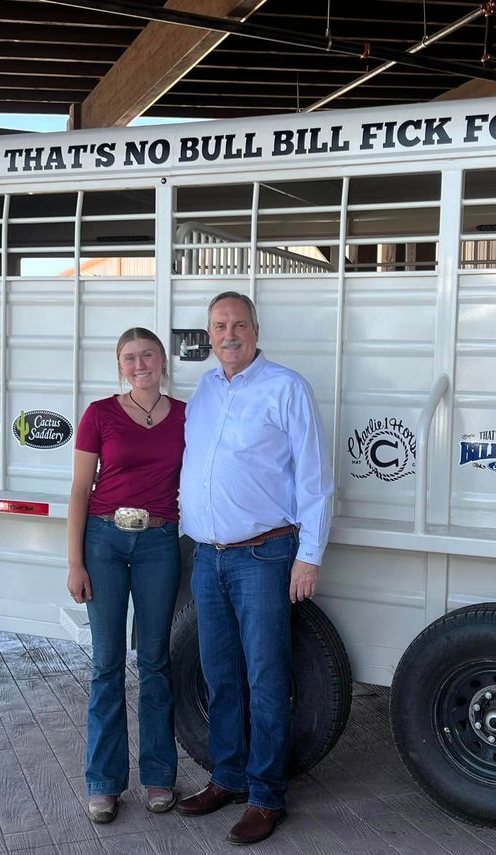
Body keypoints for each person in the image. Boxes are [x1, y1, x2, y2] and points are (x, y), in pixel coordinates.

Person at [175, 291, 333, 845]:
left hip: (265, 555)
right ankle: (228, 776)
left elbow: (314, 479)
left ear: (256, 330)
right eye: (220, 326)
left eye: (238, 324)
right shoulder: (204, 389)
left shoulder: (286, 388)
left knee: (266, 676)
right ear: (209, 334)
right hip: (208, 556)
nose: (229, 334)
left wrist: (309, 555)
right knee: (220, 675)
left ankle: (266, 795)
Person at [66, 327, 185, 823]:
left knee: (156, 661)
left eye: (148, 355)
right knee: (107, 664)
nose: (140, 364)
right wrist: (75, 561)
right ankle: (104, 782)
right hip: (104, 541)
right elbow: (78, 489)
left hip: (160, 541)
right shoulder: (100, 414)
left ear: (162, 361)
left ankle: (159, 777)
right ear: (120, 366)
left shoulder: (185, 415)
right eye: (130, 358)